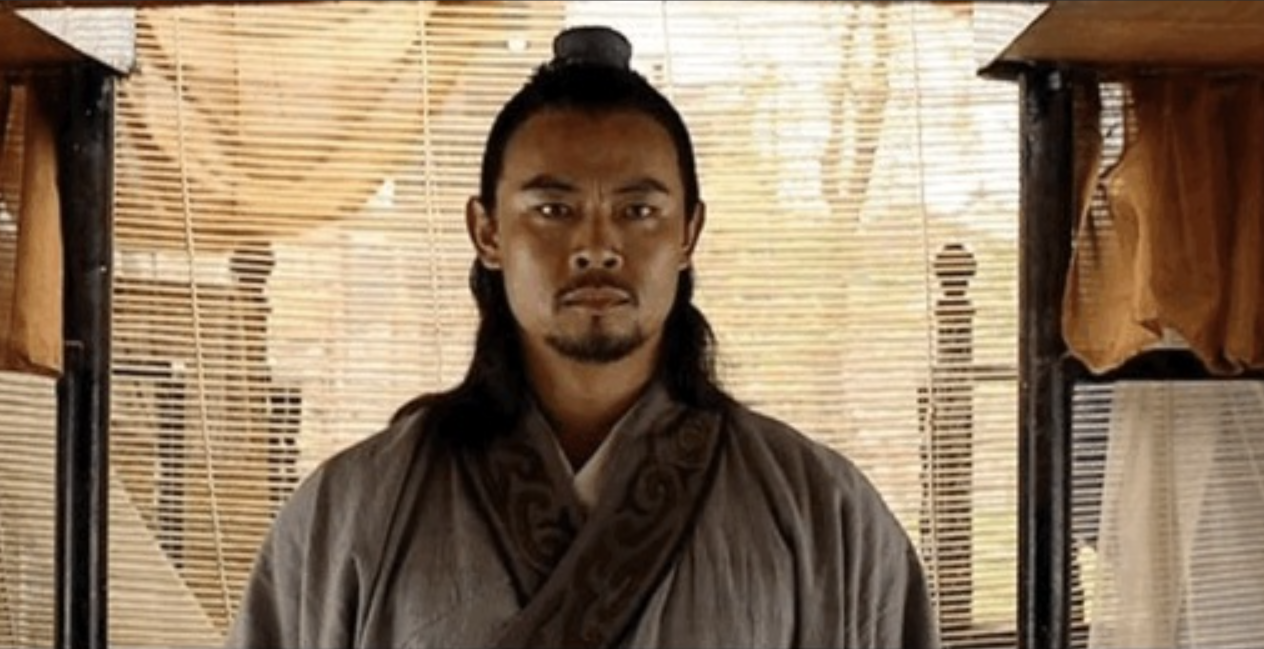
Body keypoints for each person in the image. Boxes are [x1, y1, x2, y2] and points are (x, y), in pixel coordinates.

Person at [227, 25, 939, 649]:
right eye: (553, 208)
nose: (597, 246)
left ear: (688, 233)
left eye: (638, 210)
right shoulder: (352, 512)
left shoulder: (823, 513)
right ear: (487, 231)